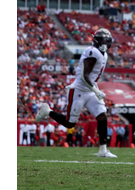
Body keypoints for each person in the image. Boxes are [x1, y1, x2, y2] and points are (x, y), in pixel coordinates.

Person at [34, 28, 117, 158]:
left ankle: (103, 150)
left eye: (107, 41)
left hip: (90, 90)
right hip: (79, 90)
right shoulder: (92, 52)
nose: (105, 43)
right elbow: (84, 76)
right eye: (103, 40)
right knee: (70, 124)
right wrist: (97, 90)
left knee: (102, 117)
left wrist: (95, 90)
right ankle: (48, 112)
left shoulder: (104, 55)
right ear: (96, 41)